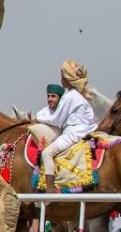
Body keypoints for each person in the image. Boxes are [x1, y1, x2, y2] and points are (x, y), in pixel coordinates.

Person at [35, 60, 98, 192]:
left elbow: (56, 119)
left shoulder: (70, 97)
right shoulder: (76, 95)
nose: (61, 78)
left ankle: (50, 189)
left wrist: (37, 117)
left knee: (46, 153)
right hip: (81, 130)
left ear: (68, 78)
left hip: (73, 133)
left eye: (62, 75)